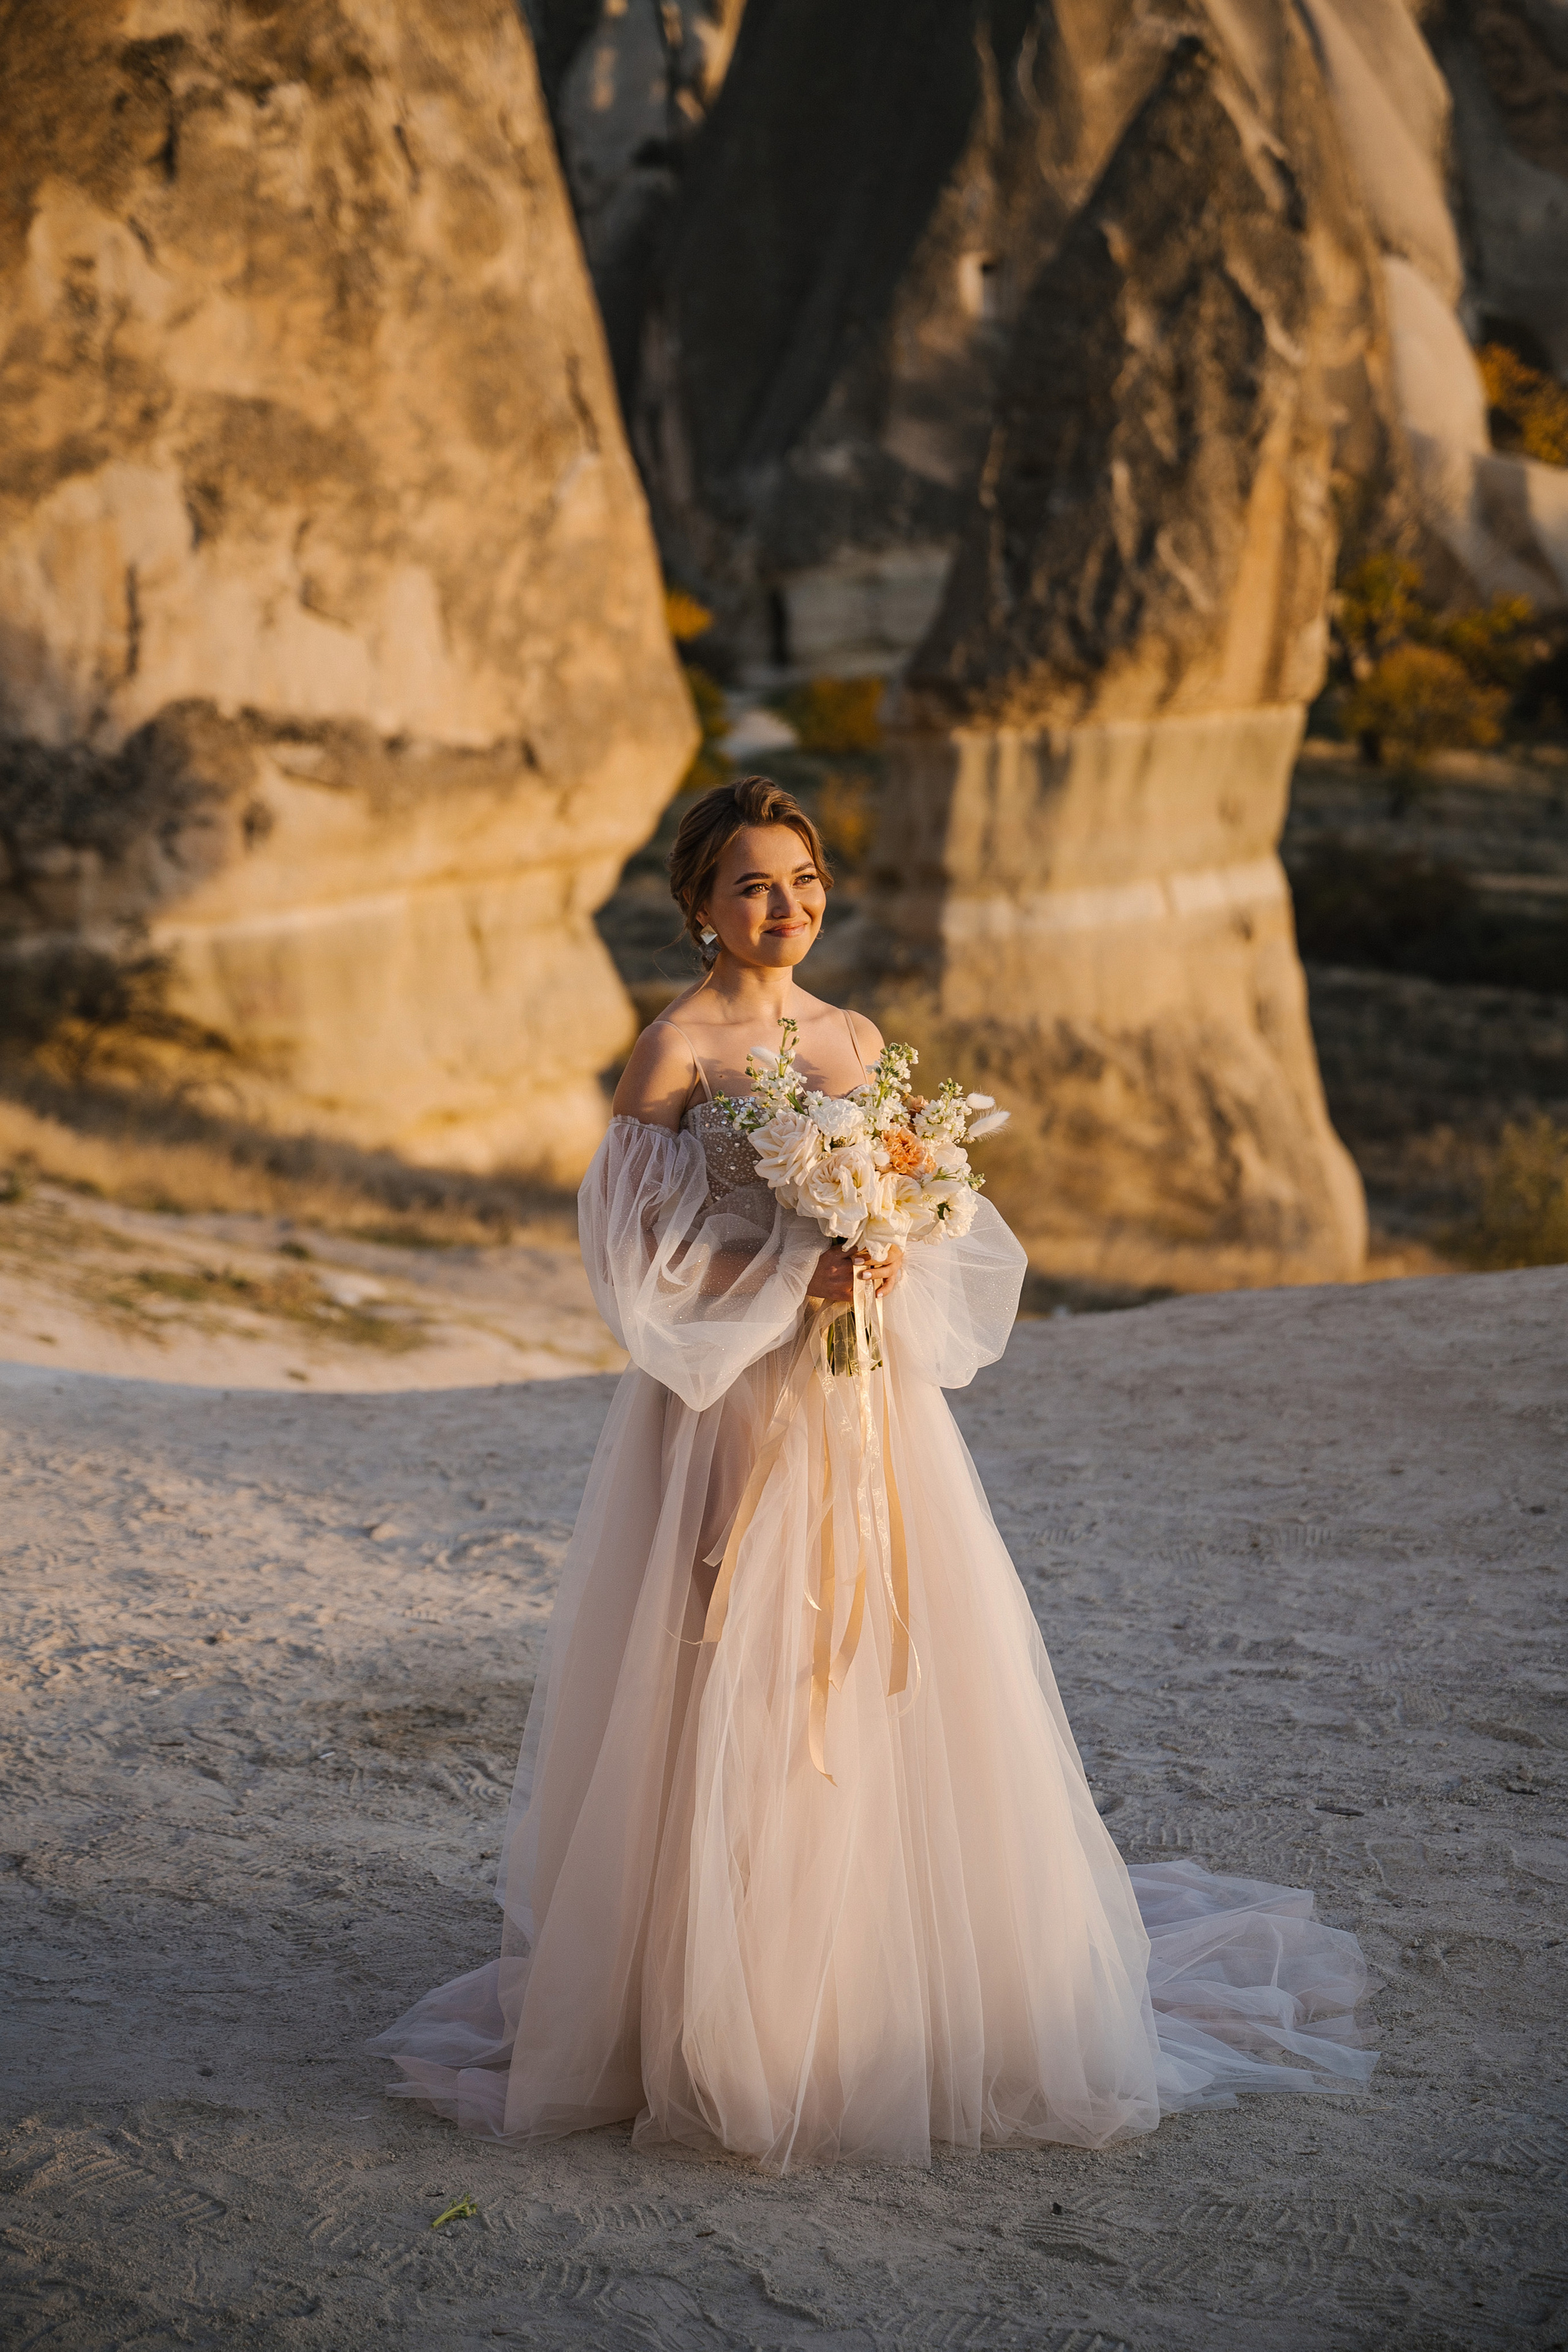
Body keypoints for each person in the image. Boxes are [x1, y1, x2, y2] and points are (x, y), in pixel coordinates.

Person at [371, 774, 1374, 2169]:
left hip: (869, 1408)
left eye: (804, 881)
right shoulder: (671, 1055)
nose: (783, 909)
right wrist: (797, 1268)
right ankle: (726, 2005)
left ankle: (869, 1980)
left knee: (877, 1660)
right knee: (743, 1660)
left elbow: (932, 1210)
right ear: (696, 905)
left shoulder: (851, 1037)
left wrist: (890, 1251)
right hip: (732, 1406)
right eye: (751, 886)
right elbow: (638, 1272)